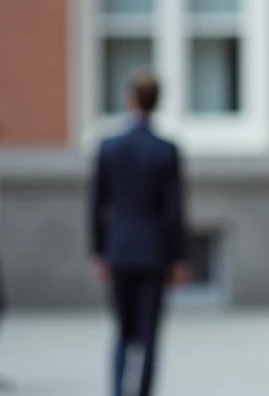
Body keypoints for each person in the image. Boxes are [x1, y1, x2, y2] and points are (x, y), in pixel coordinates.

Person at [90, 70, 189, 396]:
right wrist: (178, 256)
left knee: (122, 331)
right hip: (155, 252)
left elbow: (96, 204)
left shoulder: (109, 146)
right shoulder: (165, 150)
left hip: (119, 249)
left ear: (128, 99)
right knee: (149, 335)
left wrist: (99, 250)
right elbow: (173, 209)